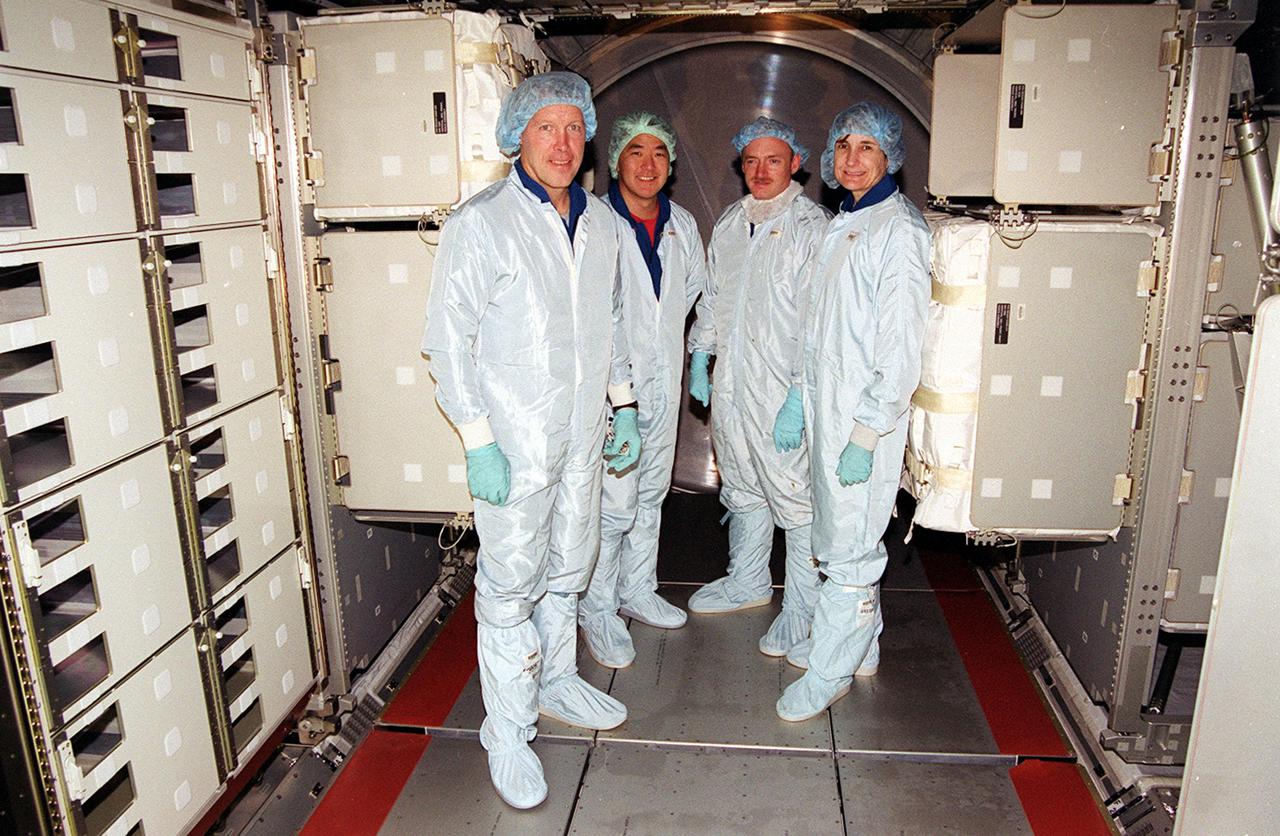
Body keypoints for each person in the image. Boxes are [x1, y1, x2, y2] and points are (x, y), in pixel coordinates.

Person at [421, 72, 643, 809]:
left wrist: (625, 406)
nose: (562, 142)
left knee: (567, 568)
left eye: (574, 128)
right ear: (518, 134)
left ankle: (555, 682)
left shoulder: (604, 224)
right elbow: (447, 342)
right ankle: (507, 732)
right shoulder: (482, 222)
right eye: (546, 128)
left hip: (582, 438)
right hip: (514, 445)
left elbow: (609, 326)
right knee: (510, 587)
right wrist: (478, 437)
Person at [775, 102, 930, 722]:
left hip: (865, 423)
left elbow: (899, 348)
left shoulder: (900, 232)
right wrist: (797, 393)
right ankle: (860, 647)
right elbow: (819, 328)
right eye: (843, 147)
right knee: (837, 537)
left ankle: (831, 670)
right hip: (827, 410)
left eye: (867, 147)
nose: (852, 158)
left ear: (889, 155)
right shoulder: (847, 222)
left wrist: (866, 432)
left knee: (851, 550)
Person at [685, 117, 831, 659]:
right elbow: (714, 298)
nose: (761, 171)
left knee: (795, 500)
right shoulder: (730, 223)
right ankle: (747, 581)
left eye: (773, 160)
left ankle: (802, 608)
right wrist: (701, 356)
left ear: (796, 162)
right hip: (734, 389)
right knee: (743, 486)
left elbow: (818, 322)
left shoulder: (812, 226)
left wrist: (798, 395)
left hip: (782, 391)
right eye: (751, 160)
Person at [578, 112, 708, 668]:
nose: (648, 164)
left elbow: (704, 296)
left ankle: (637, 588)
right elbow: (591, 317)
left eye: (659, 152)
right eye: (636, 152)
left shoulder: (682, 225)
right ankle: (598, 607)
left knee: (651, 495)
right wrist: (620, 396)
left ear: (672, 162)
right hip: (613, 396)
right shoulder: (596, 224)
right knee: (612, 505)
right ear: (614, 161)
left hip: (664, 387)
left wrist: (700, 355)